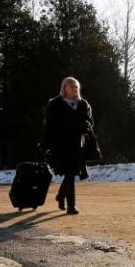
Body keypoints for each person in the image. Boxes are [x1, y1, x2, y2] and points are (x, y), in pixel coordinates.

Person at [43, 76, 94, 214]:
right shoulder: (55, 104)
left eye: (76, 86)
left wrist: (85, 127)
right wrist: (46, 143)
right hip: (61, 144)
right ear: (64, 88)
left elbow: (89, 121)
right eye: (71, 86)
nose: (74, 89)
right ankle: (71, 206)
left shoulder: (83, 104)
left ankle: (60, 196)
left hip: (78, 144)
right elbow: (50, 124)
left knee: (71, 173)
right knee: (70, 173)